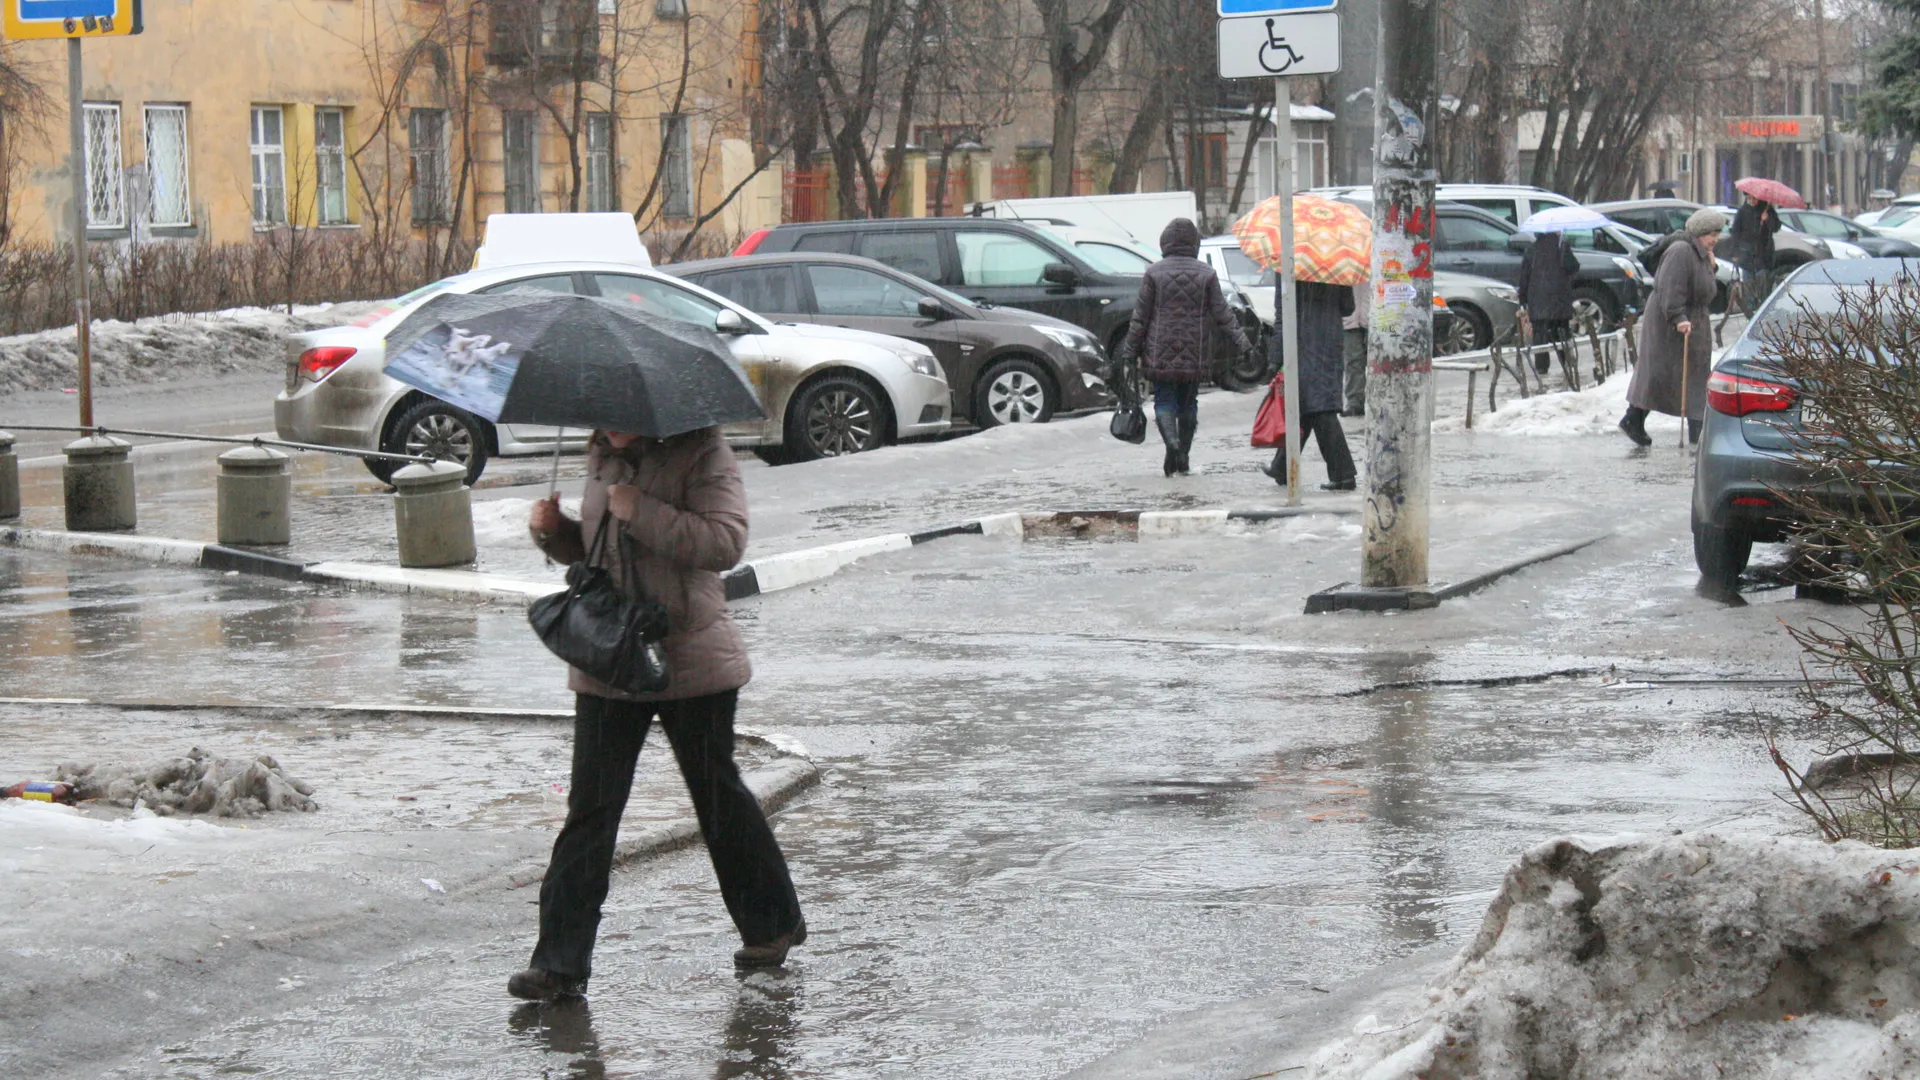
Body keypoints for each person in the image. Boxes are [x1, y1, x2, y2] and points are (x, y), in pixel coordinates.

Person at [511, 426, 805, 1002]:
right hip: (609, 657)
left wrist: (641, 509)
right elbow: (598, 554)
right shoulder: (600, 451)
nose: (608, 420)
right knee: (590, 809)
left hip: (690, 654)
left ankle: (771, 924)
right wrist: (555, 534)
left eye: (618, 411)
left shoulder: (702, 450)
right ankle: (558, 965)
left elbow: (725, 543)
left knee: (716, 796)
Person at [1124, 217, 1252, 477]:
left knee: (1164, 399)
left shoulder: (1154, 273)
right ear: (1194, 243)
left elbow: (1141, 317)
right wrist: (1243, 342)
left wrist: (1129, 352)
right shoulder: (1206, 274)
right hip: (1195, 351)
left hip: (1160, 349)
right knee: (1188, 403)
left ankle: (1171, 444)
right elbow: (1223, 313)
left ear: (1165, 242)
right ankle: (1183, 456)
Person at [1621, 208, 1725, 447]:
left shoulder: (1701, 253)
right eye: (1712, 233)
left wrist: (1712, 266)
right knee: (1661, 375)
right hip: (1671, 324)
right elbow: (1669, 288)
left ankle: (1694, 431)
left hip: (1693, 321)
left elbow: (1702, 285)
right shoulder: (1680, 251)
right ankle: (1635, 419)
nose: (1715, 238)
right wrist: (1678, 317)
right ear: (1700, 232)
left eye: (1717, 233)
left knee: (1692, 377)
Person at [1261, 279, 1358, 491]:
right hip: (1330, 341)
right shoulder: (1335, 264)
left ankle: (1344, 474)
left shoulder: (1287, 262)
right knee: (1308, 404)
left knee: (1319, 408)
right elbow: (1348, 307)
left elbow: (1282, 314)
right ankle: (1282, 466)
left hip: (1300, 343)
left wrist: (1275, 358)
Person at [1517, 230, 1580, 377]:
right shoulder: (1562, 247)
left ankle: (1542, 369)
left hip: (1538, 302)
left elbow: (1524, 278)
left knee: (1541, 337)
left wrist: (1523, 299)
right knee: (1562, 334)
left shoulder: (1531, 250)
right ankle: (1567, 364)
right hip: (1560, 300)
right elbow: (1574, 268)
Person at [1728, 195, 1779, 313]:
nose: (1751, 202)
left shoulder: (1768, 209)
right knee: (1748, 284)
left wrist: (1767, 220)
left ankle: (1764, 308)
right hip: (1747, 255)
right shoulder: (1743, 211)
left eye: (1754, 199)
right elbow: (1736, 232)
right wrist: (1735, 252)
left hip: (1763, 254)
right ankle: (1750, 309)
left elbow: (1776, 227)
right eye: (1749, 199)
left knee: (1763, 285)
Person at [1341, 282, 1369, 416]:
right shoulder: (1346, 264)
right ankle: (1355, 402)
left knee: (1379, 363)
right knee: (1353, 361)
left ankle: (1379, 399)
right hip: (1349, 319)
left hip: (1375, 317)